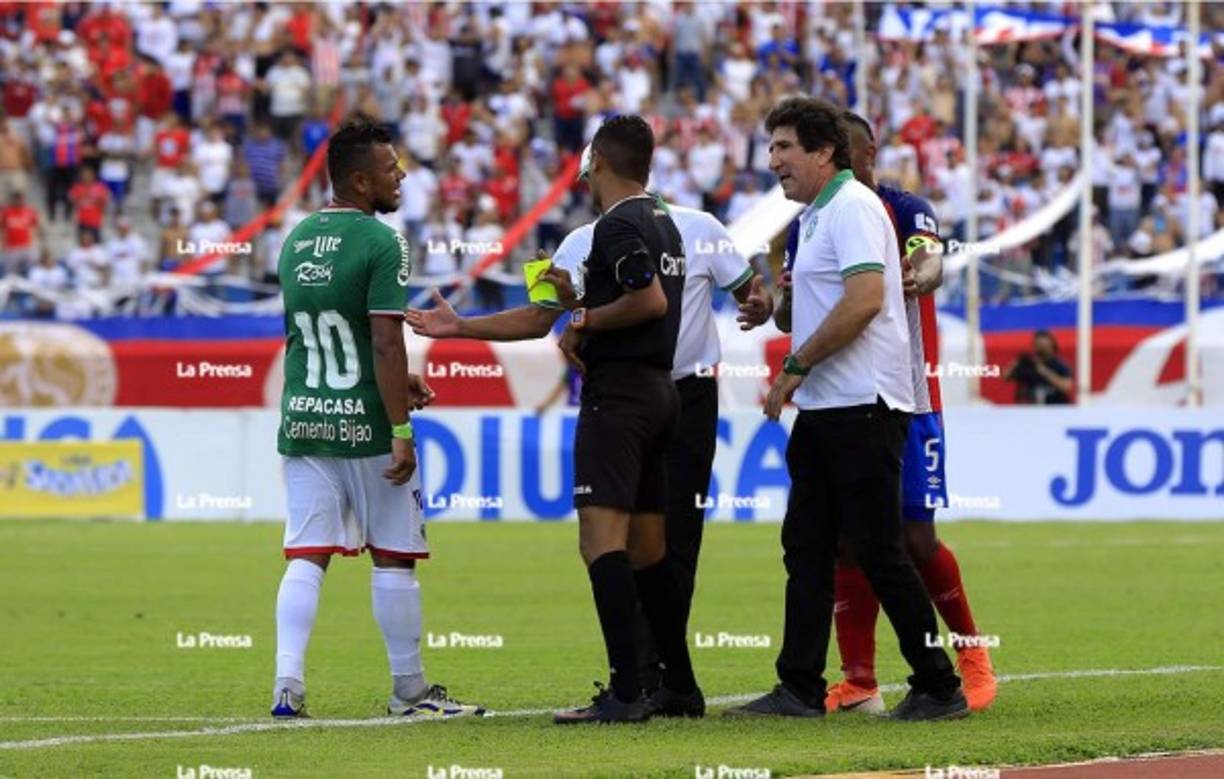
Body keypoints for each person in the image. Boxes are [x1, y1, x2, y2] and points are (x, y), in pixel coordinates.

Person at [407, 149, 773, 707]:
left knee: (661, 540)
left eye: (586, 178)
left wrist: (760, 305)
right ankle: (659, 679)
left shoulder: (697, 227)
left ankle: (651, 680)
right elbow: (540, 317)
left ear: (598, 171)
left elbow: (746, 294)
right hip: (653, 391)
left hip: (672, 392)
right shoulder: (588, 241)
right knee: (648, 543)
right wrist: (461, 326)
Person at [728, 97, 966, 721]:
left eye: (784, 146)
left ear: (823, 152)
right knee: (807, 547)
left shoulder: (854, 207)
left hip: (863, 404)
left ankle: (940, 685)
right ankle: (800, 686)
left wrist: (796, 366)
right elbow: (812, 307)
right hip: (828, 406)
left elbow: (864, 300)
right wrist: (776, 317)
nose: (773, 160)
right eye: (771, 147)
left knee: (880, 550)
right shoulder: (814, 217)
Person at [270, 117, 482, 720]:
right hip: (366, 424)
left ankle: (287, 686)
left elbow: (317, 335)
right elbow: (387, 342)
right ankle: (409, 691)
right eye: (391, 169)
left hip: (305, 416)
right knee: (393, 556)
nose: (402, 176)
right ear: (361, 182)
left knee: (307, 553)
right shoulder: (383, 242)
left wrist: (389, 376)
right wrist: (401, 429)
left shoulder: (297, 238)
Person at [815, 111, 996, 715]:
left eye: (847, 150)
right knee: (848, 541)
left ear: (869, 151)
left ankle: (972, 653)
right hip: (846, 398)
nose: (839, 161)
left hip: (910, 398)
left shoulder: (904, 208)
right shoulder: (818, 216)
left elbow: (929, 256)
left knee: (915, 538)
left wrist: (926, 270)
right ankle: (859, 682)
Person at [1005, 330, 1073, 405]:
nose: (1042, 348)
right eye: (1039, 344)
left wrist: (1045, 372)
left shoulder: (1060, 365)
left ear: (1052, 346)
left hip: (1055, 406)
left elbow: (1067, 387)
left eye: (1045, 345)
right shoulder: (1027, 364)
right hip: (1030, 406)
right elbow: (1006, 376)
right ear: (1034, 345)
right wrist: (1015, 364)